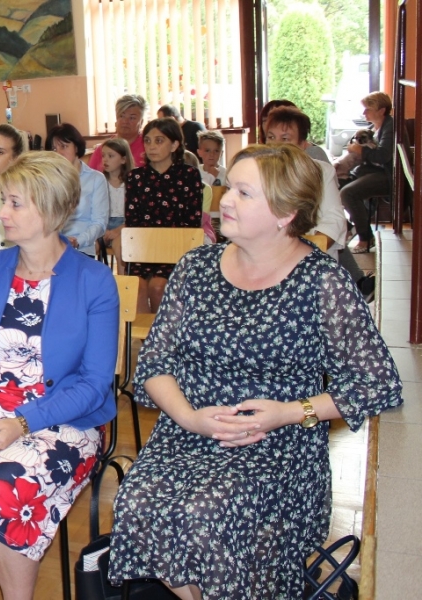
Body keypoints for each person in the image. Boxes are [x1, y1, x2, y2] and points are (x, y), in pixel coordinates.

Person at [108, 143, 403, 600]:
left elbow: (377, 383)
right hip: (189, 431)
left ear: (286, 213)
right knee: (135, 502)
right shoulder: (196, 267)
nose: (225, 200)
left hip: (277, 444)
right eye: (230, 188)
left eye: (244, 193)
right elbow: (155, 364)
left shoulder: (320, 281)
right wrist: (190, 417)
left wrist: (289, 412)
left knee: (205, 514)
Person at [0, 152, 119, 599]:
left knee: (3, 495)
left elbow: (94, 384)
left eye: (14, 203)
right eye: (3, 201)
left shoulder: (93, 280)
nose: (2, 213)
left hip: (63, 419)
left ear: (49, 210)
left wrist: (23, 423)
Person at [126, 117, 203, 313]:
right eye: (147, 141)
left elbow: (192, 222)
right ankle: (145, 333)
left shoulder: (189, 175)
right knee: (136, 288)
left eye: (159, 141)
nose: (151, 146)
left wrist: (167, 245)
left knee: (158, 287)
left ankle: (164, 332)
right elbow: (132, 221)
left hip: (176, 249)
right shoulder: (135, 177)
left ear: (174, 145)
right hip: (144, 249)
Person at [264, 107, 351, 263]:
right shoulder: (256, 173)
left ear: (303, 144)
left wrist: (306, 253)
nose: (276, 145)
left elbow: (334, 219)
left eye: (285, 138)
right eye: (271, 137)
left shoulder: (321, 171)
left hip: (312, 257)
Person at [340, 91, 394, 254]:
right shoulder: (372, 128)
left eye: (368, 109)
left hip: (387, 176)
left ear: (381, 110)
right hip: (369, 172)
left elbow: (383, 156)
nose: (364, 112)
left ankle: (365, 238)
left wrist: (361, 151)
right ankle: (348, 227)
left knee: (348, 193)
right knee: (333, 183)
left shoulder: (391, 126)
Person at [46, 123, 109, 256]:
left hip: (82, 247)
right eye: (53, 149)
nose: (58, 153)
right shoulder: (47, 180)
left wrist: (78, 241)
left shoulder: (96, 179)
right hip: (51, 247)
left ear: (76, 147)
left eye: (64, 146)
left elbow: (99, 222)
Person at [99, 137, 134, 273]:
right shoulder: (99, 180)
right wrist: (102, 229)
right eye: (103, 156)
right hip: (103, 223)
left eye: (111, 156)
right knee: (88, 247)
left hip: (124, 225)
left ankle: (122, 282)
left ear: (123, 159)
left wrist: (119, 229)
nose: (105, 160)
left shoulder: (132, 182)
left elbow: (135, 214)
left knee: (121, 249)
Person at [89, 94, 149, 171]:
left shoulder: (148, 146)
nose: (125, 121)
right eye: (121, 116)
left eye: (132, 118)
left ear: (141, 122)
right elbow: (90, 175)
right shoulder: (103, 149)